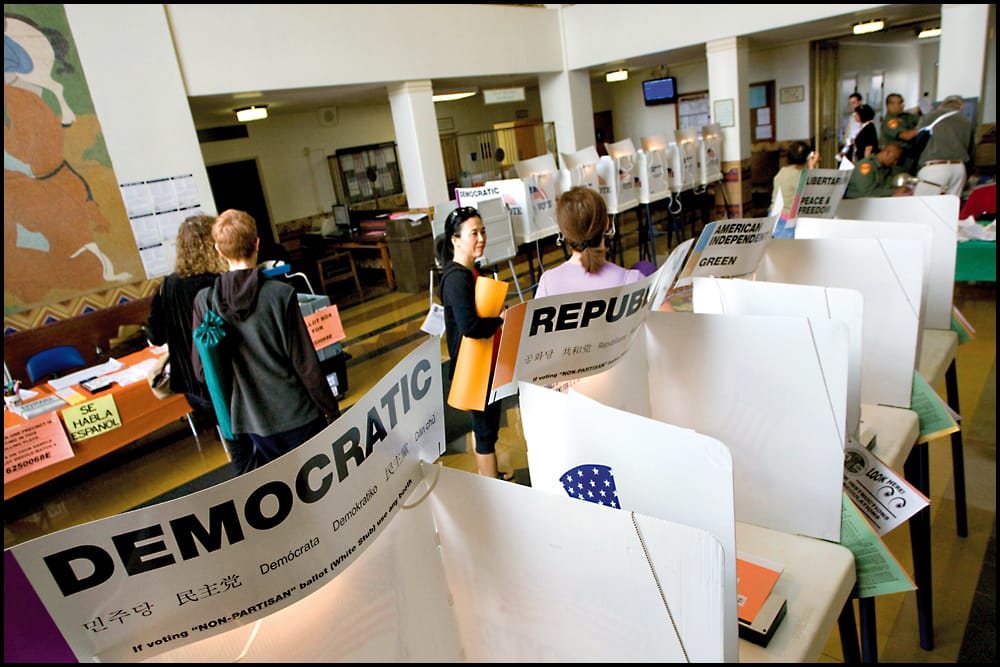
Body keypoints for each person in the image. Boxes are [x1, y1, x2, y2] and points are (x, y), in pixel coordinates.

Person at [191, 209, 339, 467]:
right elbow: (305, 364)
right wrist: (330, 407)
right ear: (257, 244)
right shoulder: (280, 295)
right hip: (298, 413)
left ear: (219, 250)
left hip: (251, 420)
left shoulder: (206, 302)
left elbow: (203, 372)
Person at [147, 215, 258, 475]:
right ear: (215, 245)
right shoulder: (215, 285)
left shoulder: (168, 285)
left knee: (235, 445)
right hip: (225, 384)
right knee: (248, 448)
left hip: (191, 387)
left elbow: (155, 336)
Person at [436, 205, 510, 481]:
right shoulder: (456, 279)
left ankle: (490, 472)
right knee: (484, 433)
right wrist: (500, 319)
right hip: (474, 368)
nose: (481, 238)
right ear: (455, 239)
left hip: (485, 362)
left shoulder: (471, 273)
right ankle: (492, 486)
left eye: (483, 231)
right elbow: (470, 327)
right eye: (473, 233)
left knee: (488, 427)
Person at [535, 186, 644, 298]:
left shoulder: (548, 283)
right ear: (607, 223)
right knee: (645, 266)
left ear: (564, 232)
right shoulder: (633, 281)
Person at [912, 95, 974, 197]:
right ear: (961, 107)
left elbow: (918, 139)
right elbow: (971, 152)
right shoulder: (966, 122)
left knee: (922, 206)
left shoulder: (930, 116)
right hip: (959, 169)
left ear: (941, 105)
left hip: (935, 167)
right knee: (949, 208)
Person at [769, 141, 821, 221]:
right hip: (786, 220)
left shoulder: (782, 171)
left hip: (773, 216)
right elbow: (813, 196)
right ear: (808, 157)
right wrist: (811, 166)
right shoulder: (799, 176)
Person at [844, 143, 909, 199]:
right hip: (858, 203)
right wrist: (894, 191)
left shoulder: (886, 168)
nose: (895, 163)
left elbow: (888, 185)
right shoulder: (866, 166)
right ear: (887, 153)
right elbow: (868, 192)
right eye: (895, 159)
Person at [881, 93, 921, 174]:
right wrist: (922, 128)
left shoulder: (905, 116)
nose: (902, 105)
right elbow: (906, 136)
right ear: (890, 105)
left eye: (902, 103)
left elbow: (921, 119)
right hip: (898, 161)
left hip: (911, 158)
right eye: (899, 103)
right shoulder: (890, 121)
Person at [838, 92, 863, 164]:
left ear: (860, 102)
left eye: (854, 103)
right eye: (850, 104)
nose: (851, 106)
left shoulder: (863, 118)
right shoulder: (850, 118)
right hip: (848, 148)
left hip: (857, 149)